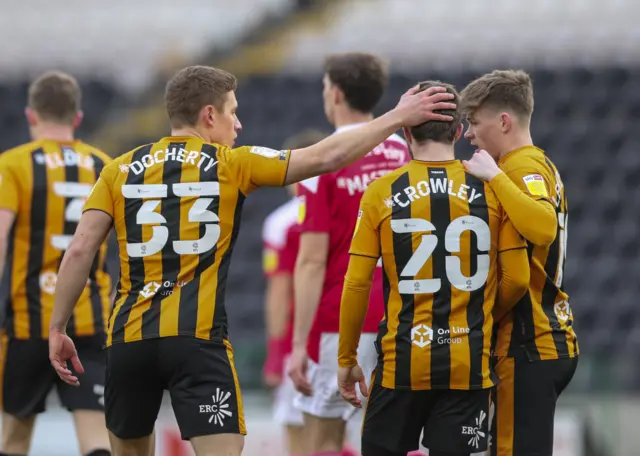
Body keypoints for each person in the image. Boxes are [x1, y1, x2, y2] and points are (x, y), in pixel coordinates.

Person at [47, 65, 456, 456]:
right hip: (198, 342)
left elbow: (81, 249)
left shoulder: (117, 170)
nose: (238, 125)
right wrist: (397, 117)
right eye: (233, 113)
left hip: (129, 341)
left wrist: (58, 326)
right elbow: (324, 157)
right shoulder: (232, 163)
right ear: (209, 115)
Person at [337, 80, 532, 456]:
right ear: (459, 131)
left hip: (401, 363)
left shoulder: (381, 191)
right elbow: (518, 279)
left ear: (406, 131)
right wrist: (481, 315)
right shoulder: (492, 188)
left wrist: (347, 359)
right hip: (468, 363)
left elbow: (357, 284)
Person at [287, 52, 411, 456]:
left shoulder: (321, 159)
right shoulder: (407, 154)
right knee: (397, 440)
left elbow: (310, 261)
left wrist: (298, 343)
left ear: (336, 93)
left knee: (324, 441)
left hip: (340, 321)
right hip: (404, 316)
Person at [460, 69, 579, 456]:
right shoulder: (537, 162)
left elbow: (542, 227)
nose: (469, 134)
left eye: (474, 123)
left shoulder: (518, 168)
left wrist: (494, 177)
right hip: (547, 337)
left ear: (504, 121)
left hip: (528, 342)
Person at [0, 71, 112, 456]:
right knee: (97, 438)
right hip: (90, 317)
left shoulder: (12, 165)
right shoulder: (104, 165)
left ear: (31, 115)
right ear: (77, 117)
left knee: (14, 437)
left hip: (27, 321)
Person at [261, 129, 328, 456]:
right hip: (345, 336)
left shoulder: (283, 222)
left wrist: (276, 352)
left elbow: (280, 292)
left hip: (299, 344)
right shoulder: (351, 209)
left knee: (299, 438)